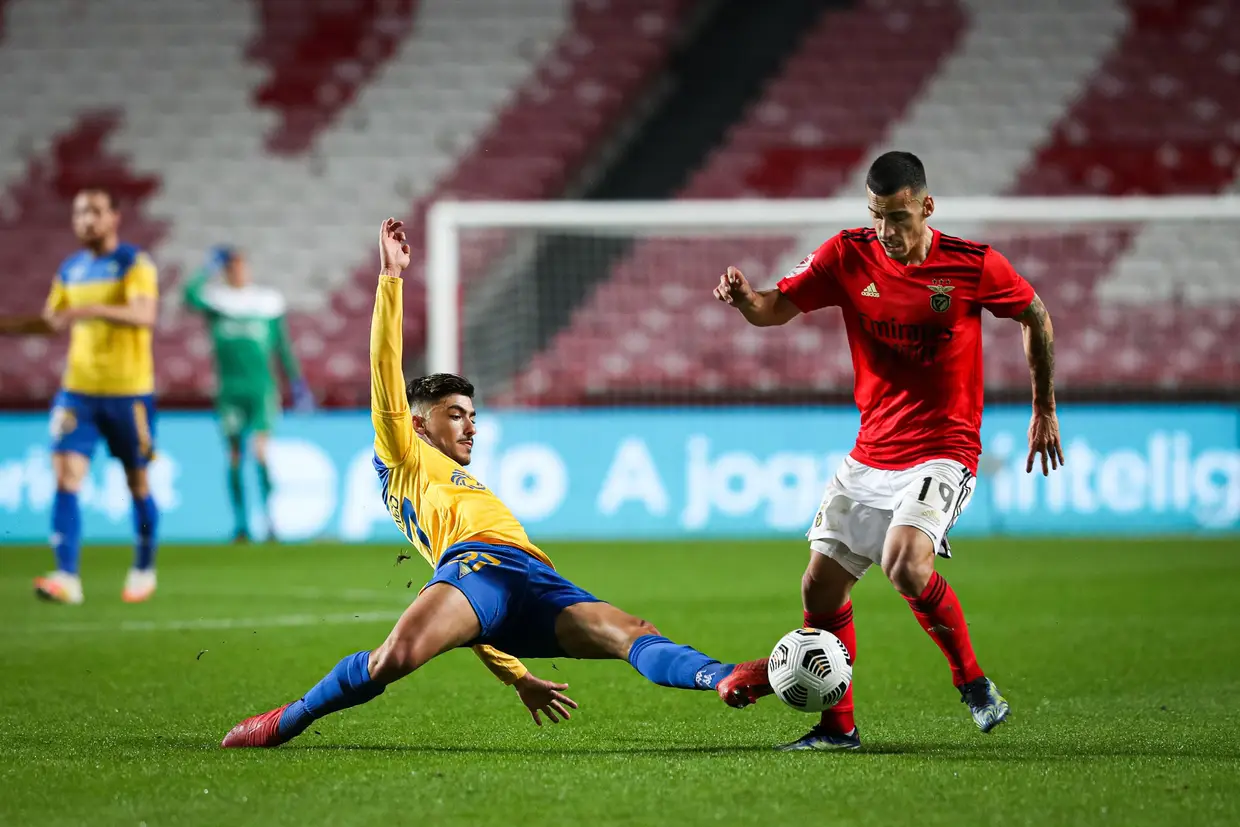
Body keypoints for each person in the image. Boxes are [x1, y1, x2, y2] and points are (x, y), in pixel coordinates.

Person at [221, 219, 739, 747]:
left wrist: (518, 676)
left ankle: (727, 676)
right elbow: (384, 368)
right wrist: (391, 279)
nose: (472, 426)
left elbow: (475, 620)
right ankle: (288, 719)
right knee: (393, 659)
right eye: (456, 415)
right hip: (478, 567)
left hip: (532, 576)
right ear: (419, 424)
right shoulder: (403, 455)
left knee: (632, 633)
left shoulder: (466, 487)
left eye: (473, 414)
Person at [713, 151, 1063, 751]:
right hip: (871, 452)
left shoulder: (973, 265)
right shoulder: (847, 255)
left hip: (943, 449)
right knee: (818, 590)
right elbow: (775, 308)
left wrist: (1044, 406)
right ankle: (837, 727)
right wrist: (746, 298)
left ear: (926, 207)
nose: (887, 232)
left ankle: (974, 683)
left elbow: (1034, 314)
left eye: (898, 218)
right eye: (877, 217)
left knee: (906, 562)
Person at [0, 188, 161, 604]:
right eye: (78, 214)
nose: (85, 220)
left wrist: (86, 311)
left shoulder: (133, 263)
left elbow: (145, 316)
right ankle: (67, 576)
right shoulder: (71, 269)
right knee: (65, 476)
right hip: (79, 392)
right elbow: (53, 323)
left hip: (130, 393)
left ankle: (144, 566)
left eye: (94, 212)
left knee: (137, 483)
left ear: (113, 218)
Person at [182, 246, 313, 543]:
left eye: (241, 267)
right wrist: (206, 268)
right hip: (230, 391)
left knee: (260, 453)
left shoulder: (266, 303)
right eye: (231, 269)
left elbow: (282, 345)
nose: (238, 273)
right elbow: (188, 297)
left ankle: (269, 519)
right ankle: (241, 524)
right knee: (234, 457)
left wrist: (296, 383)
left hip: (262, 389)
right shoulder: (218, 303)